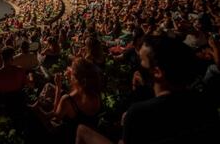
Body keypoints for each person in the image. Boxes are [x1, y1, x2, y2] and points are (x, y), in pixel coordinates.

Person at [75, 36, 220, 144]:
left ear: (157, 72)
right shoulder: (205, 102)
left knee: (82, 130)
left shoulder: (138, 113)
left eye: (142, 60)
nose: (139, 64)